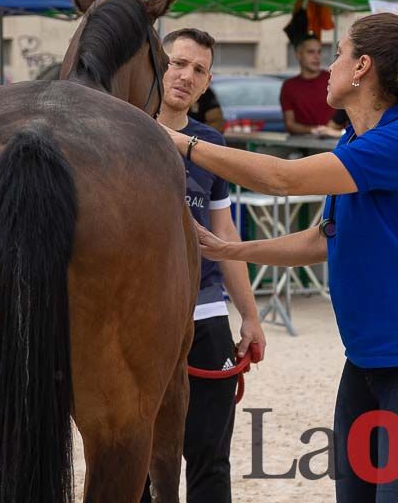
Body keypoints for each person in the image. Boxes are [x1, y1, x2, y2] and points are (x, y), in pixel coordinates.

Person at [164, 13, 398, 503]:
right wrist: (230, 249)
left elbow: (282, 179)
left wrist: (179, 142)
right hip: (368, 359)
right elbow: (324, 237)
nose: (329, 64)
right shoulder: (355, 139)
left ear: (361, 67)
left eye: (337, 53)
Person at [143, 27, 266, 503]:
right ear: (159, 63)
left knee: (209, 457)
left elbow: (226, 237)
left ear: (208, 80)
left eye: (198, 70)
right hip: (139, 317)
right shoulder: (123, 128)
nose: (186, 76)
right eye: (178, 63)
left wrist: (251, 316)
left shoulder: (210, 144)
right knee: (135, 455)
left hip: (205, 315)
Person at [281, 35, 341, 137]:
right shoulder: (289, 86)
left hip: (336, 141)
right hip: (305, 145)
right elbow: (290, 124)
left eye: (319, 52)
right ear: (298, 55)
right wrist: (317, 130)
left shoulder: (333, 78)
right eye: (310, 52)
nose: (316, 56)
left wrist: (330, 130)